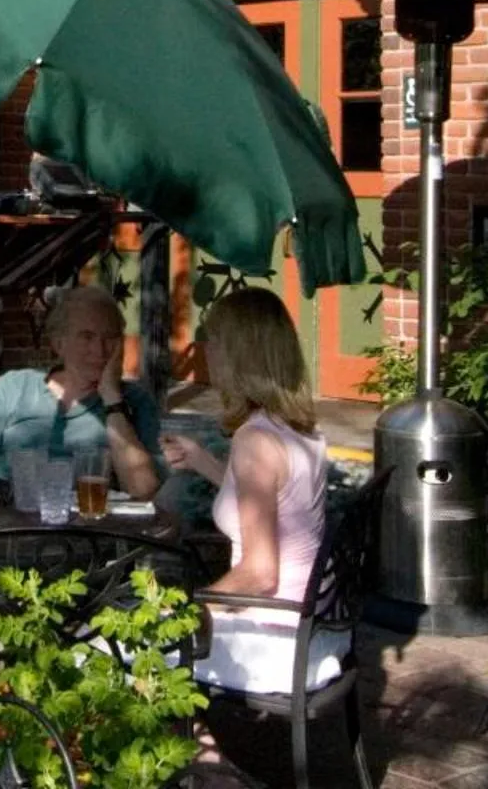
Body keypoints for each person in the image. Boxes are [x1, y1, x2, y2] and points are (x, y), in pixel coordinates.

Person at [158, 287, 335, 695]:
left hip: (272, 637)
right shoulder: (298, 428)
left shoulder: (254, 441)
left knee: (109, 643)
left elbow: (259, 573)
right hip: (314, 627)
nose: (207, 350)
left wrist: (189, 606)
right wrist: (205, 463)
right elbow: (278, 501)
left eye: (214, 340)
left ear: (240, 354)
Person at [0, 283, 162, 499]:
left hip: (87, 522)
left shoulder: (133, 401)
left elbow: (144, 490)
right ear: (59, 344)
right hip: (9, 514)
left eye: (110, 337)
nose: (100, 349)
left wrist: (112, 399)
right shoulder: (13, 387)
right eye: (87, 337)